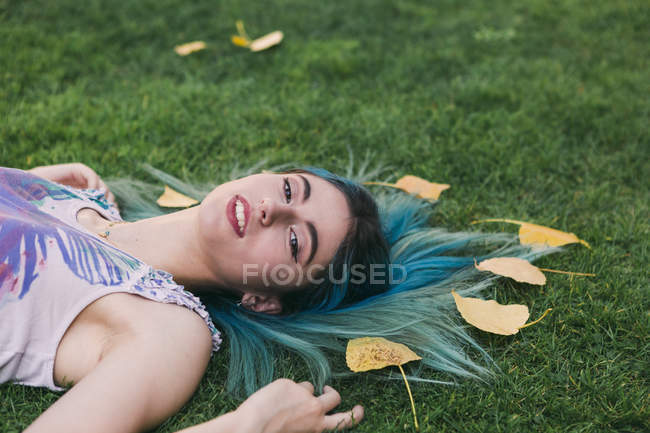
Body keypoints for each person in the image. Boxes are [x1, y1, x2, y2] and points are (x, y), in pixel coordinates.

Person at [1, 161, 545, 433]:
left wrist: (242, 428)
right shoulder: (76, 193)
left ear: (263, 298)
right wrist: (36, 185)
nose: (272, 209)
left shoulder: (167, 330)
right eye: (289, 190)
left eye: (293, 240)